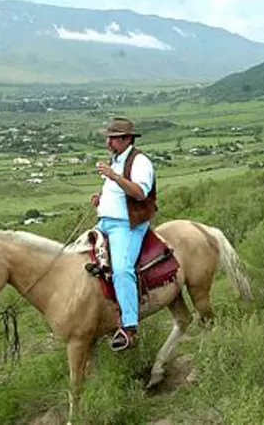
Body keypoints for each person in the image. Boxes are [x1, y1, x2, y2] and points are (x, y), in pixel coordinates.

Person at [90, 116, 157, 352]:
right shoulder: (115, 160)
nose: (108, 142)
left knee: (121, 269)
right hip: (104, 222)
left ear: (127, 139)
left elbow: (139, 193)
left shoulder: (140, 162)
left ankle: (129, 328)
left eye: (113, 138)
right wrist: (101, 199)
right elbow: (117, 192)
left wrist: (114, 176)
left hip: (127, 225)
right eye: (108, 137)